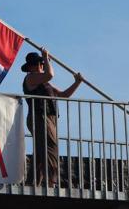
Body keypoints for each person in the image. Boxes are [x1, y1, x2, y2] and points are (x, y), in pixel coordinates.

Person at [21, 49, 83, 187]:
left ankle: (33, 183)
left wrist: (77, 82)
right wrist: (46, 58)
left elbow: (64, 95)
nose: (43, 65)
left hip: (48, 118)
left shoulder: (44, 82)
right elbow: (50, 74)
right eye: (41, 63)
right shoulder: (31, 78)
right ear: (35, 65)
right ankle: (51, 183)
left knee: (41, 152)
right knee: (51, 150)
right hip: (40, 117)